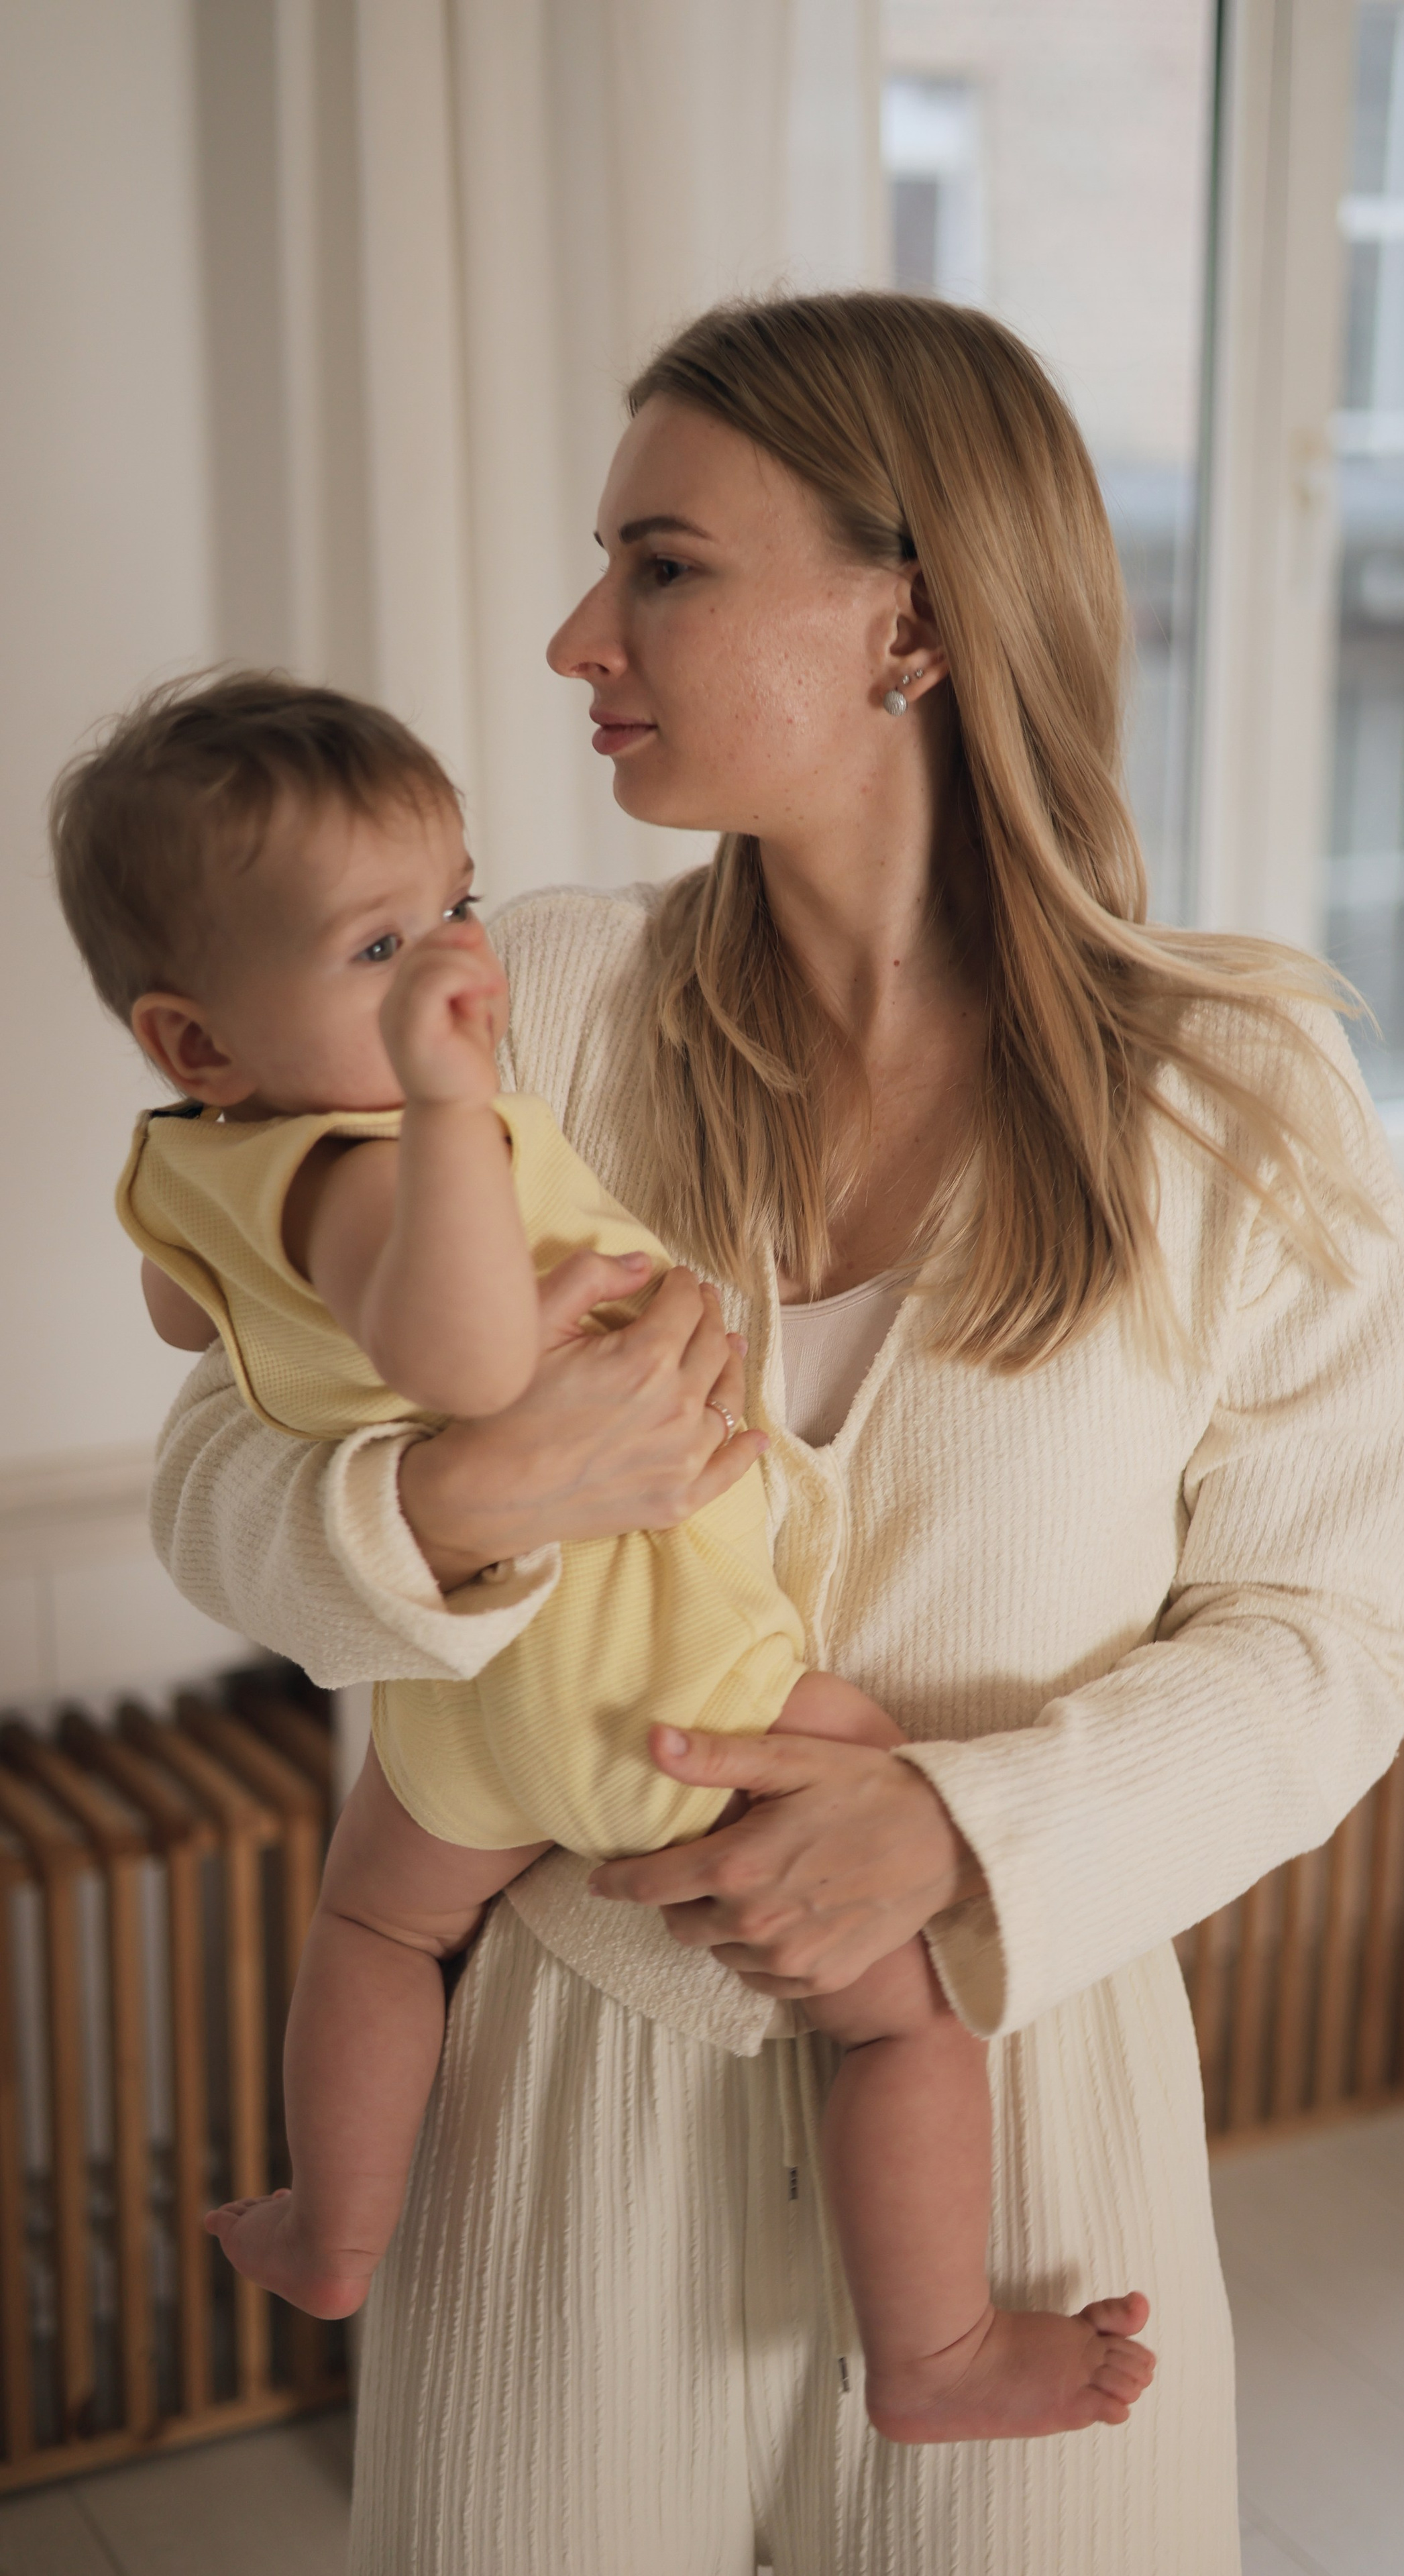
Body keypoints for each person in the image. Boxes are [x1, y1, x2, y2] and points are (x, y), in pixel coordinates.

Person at [145, 292, 1404, 2573]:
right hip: (556, 2116)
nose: (577, 635)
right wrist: (448, 1504)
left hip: (1024, 2125)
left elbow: (1337, 1636)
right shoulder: (505, 1002)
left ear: (911, 625)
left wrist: (961, 1832)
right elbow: (216, 1464)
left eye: (664, 563)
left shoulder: (1242, 1093)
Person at [52, 672, 1152, 2442]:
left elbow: (201, 1320)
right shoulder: (400, 1162)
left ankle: (335, 2229)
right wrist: (441, 1122)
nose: (456, 971)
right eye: (378, 948)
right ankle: (937, 2347)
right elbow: (469, 1368)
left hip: (471, 1712)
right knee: (910, 2008)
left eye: (458, 903)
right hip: (667, 1689)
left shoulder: (196, 1166)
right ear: (197, 1037)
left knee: (374, 1923)